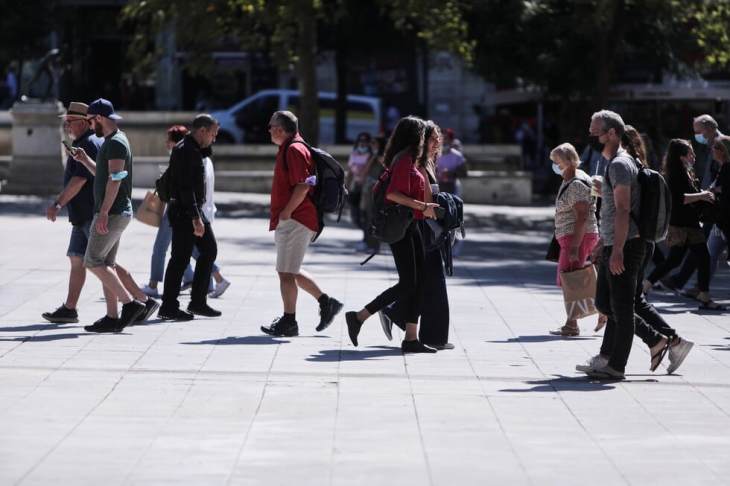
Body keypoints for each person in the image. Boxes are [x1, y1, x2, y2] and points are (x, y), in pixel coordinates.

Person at [344, 116, 441, 354]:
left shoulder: (411, 159)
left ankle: (410, 338)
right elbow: (393, 195)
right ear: (414, 136)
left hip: (412, 224)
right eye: (422, 134)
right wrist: (421, 206)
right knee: (408, 282)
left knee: (418, 283)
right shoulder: (404, 160)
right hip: (402, 227)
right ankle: (359, 316)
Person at [69, 98, 151, 332]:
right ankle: (112, 317)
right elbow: (106, 174)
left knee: (92, 260)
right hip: (115, 211)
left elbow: (116, 180)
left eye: (90, 120)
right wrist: (85, 161)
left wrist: (103, 212)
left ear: (100, 119)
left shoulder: (115, 142)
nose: (89, 124)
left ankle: (129, 304)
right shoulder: (111, 141)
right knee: (106, 264)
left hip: (113, 211)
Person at [260, 110, 343, 337]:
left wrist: (286, 212)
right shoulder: (292, 147)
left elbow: (303, 185)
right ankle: (326, 303)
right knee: (290, 269)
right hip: (296, 218)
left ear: (279, 129)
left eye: (270, 126)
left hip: (296, 218)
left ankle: (289, 322)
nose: (268, 130)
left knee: (286, 272)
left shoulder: (294, 149)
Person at [578, 110, 646, 380]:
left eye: (597, 133)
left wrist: (617, 249)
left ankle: (616, 365)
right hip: (614, 243)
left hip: (627, 244)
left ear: (613, 134)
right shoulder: (614, 164)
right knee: (607, 303)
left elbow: (622, 209)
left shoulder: (619, 165)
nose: (592, 137)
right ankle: (609, 357)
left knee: (621, 307)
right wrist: (603, 244)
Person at [622, 127, 694, 373]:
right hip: (641, 241)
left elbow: (629, 210)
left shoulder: (628, 169)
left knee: (619, 302)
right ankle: (673, 341)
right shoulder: (638, 166)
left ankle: (664, 341)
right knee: (632, 301)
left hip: (632, 241)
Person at [379, 120, 455, 350]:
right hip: (421, 226)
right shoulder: (415, 164)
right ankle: (399, 316)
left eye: (437, 138)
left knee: (429, 281)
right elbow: (418, 199)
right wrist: (431, 208)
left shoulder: (430, 162)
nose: (436, 142)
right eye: (431, 138)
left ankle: (411, 323)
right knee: (429, 281)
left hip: (430, 226)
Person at [141, 125, 230, 299]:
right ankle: (208, 280)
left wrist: (195, 215)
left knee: (165, 249)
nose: (166, 144)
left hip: (184, 210)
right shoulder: (201, 157)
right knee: (191, 250)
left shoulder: (187, 156)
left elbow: (185, 188)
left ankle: (156, 287)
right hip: (195, 211)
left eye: (169, 140)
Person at [642, 139, 724, 310]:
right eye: (690, 153)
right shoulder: (674, 174)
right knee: (677, 260)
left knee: (695, 258)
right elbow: (680, 199)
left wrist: (703, 197)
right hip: (680, 224)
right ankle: (646, 285)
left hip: (690, 223)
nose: (693, 156)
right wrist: (702, 196)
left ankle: (703, 294)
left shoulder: (687, 171)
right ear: (680, 157)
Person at [42, 102, 104, 324]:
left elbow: (79, 180)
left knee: (104, 263)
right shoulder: (84, 141)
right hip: (82, 215)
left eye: (70, 122)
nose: (67, 125)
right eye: (66, 121)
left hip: (89, 214)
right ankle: (69, 309)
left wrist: (58, 204)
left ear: (84, 122)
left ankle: (137, 300)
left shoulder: (87, 143)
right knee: (77, 259)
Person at [158, 114, 222, 320]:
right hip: (186, 212)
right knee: (180, 259)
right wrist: (196, 218)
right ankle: (169, 306)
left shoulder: (194, 149)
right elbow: (185, 188)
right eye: (212, 134)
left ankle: (198, 302)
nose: (214, 139)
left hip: (193, 211)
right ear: (201, 131)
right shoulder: (185, 150)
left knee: (208, 251)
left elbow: (205, 155)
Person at [547, 143, 599, 337]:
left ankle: (573, 324)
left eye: (556, 161)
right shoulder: (575, 177)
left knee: (570, 280)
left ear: (568, 161)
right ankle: (581, 319)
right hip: (575, 235)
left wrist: (575, 246)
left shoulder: (576, 183)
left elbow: (583, 215)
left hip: (576, 236)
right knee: (570, 278)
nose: (554, 164)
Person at [346, 132, 372, 251]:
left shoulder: (372, 156)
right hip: (355, 187)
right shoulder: (354, 154)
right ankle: (367, 236)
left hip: (366, 189)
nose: (363, 143)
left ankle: (368, 239)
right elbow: (350, 171)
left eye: (365, 141)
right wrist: (346, 187)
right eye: (361, 140)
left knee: (365, 215)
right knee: (355, 215)